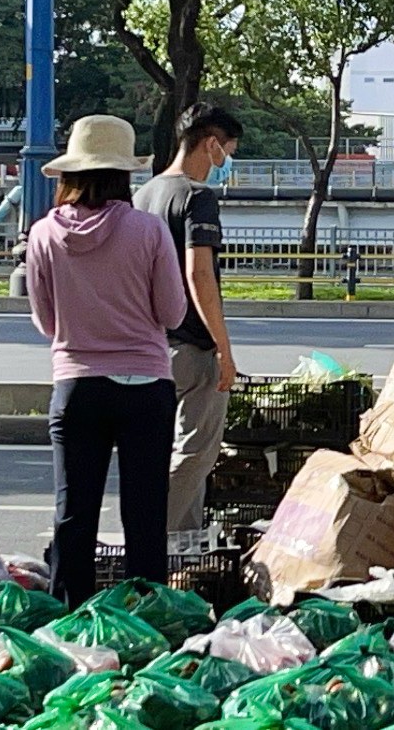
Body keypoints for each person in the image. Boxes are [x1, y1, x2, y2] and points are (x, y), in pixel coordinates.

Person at [26, 115, 187, 607]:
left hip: (77, 386)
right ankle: (148, 618)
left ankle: (70, 618)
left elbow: (46, 324)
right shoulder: (149, 230)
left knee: (74, 513)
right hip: (146, 387)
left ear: (70, 174)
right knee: (144, 514)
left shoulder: (42, 235)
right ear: (125, 173)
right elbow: (173, 312)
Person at [133, 102, 244, 532]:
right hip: (193, 344)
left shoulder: (144, 196)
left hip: (150, 344)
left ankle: (184, 547)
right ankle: (148, 536)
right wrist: (223, 348)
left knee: (168, 453)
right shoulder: (198, 198)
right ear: (212, 145)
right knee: (198, 453)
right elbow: (199, 274)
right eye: (228, 150)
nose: (227, 161)